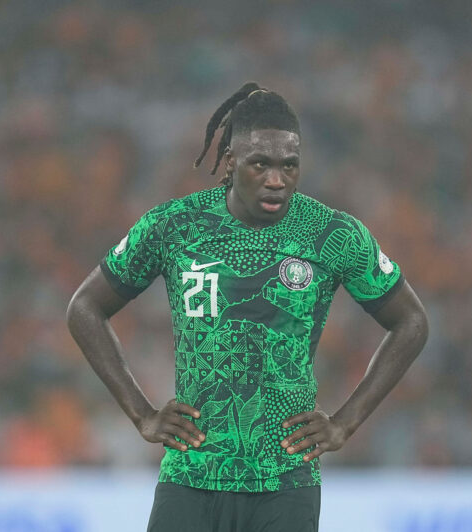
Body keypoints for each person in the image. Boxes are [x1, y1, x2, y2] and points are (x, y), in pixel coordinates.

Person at [66, 82, 429, 532]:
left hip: (286, 482)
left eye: (289, 166)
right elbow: (85, 308)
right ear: (232, 160)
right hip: (192, 476)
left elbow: (411, 321)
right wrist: (142, 414)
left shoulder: (333, 234)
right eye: (260, 163)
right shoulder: (174, 226)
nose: (276, 179)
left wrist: (345, 423)